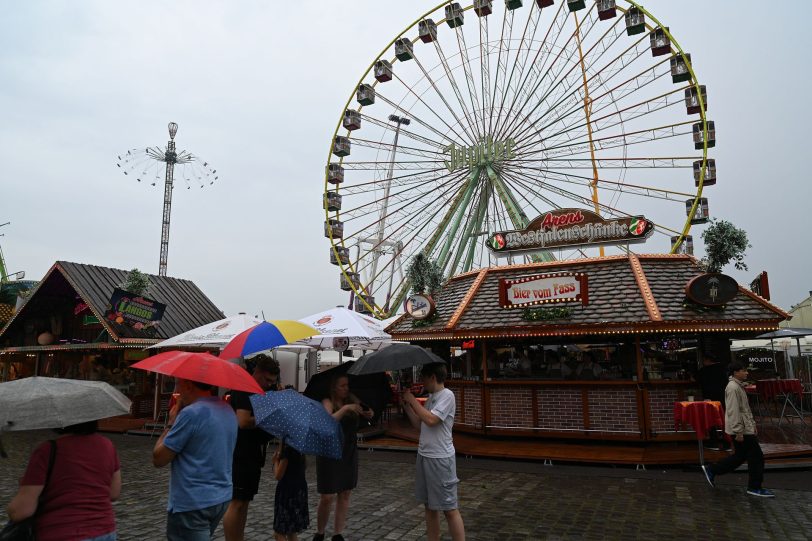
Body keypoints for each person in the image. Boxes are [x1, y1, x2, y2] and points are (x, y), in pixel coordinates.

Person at [6, 420, 121, 541]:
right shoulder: (107, 445)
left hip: (61, 532)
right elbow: (113, 493)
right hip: (105, 532)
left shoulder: (47, 450)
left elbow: (19, 512)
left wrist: (25, 490)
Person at [153, 378, 238, 540]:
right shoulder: (227, 410)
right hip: (220, 497)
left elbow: (159, 458)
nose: (176, 390)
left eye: (178, 384)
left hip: (192, 503)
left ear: (188, 385)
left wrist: (170, 423)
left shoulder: (190, 414)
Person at [402, 363, 465, 541]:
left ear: (432, 377)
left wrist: (413, 400)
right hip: (424, 456)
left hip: (440, 459)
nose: (422, 381)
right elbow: (420, 425)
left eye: (423, 377)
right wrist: (407, 406)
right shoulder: (431, 397)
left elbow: (431, 420)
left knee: (449, 508)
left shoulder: (447, 395)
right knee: (429, 506)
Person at [223, 355, 281, 541]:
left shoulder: (258, 390)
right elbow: (243, 420)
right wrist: (268, 417)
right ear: (256, 372)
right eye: (267, 380)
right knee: (237, 502)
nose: (269, 384)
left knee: (244, 501)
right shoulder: (244, 388)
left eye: (272, 381)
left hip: (252, 452)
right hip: (240, 452)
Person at [313, 374, 373, 541]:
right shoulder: (327, 402)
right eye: (342, 386)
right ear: (334, 387)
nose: (346, 388)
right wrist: (345, 409)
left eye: (347, 385)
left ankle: (337, 534)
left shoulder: (352, 399)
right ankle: (320, 532)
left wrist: (367, 411)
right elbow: (328, 422)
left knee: (345, 492)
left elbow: (368, 413)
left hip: (348, 450)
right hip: (329, 451)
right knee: (327, 496)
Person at [701, 362, 774, 497]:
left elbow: (744, 409)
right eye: (743, 370)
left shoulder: (737, 386)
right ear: (735, 373)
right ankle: (754, 487)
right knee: (757, 457)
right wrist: (739, 430)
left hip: (744, 427)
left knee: (740, 456)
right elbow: (733, 411)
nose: (746, 373)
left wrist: (752, 425)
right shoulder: (733, 388)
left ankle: (713, 470)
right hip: (742, 430)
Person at [272, 440, 309, 541]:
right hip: (299, 491)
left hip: (287, 494)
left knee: (278, 532)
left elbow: (278, 475)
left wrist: (275, 461)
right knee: (291, 531)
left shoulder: (288, 449)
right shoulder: (300, 447)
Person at [697, 354, 729, 450]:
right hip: (724, 397)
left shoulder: (704, 370)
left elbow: (696, 380)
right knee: (724, 419)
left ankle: (713, 442)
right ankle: (727, 443)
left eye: (704, 360)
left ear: (707, 360)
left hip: (709, 398)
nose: (703, 362)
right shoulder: (724, 368)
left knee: (711, 419)